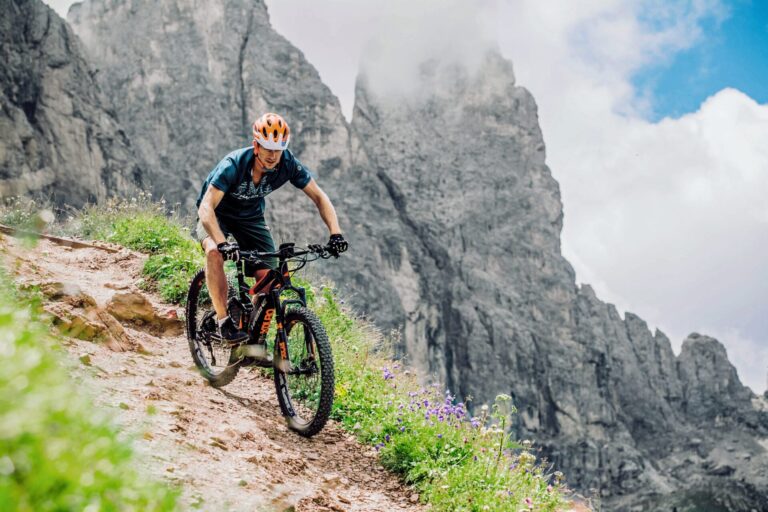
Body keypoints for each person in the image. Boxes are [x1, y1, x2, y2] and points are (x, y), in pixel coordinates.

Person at [195, 112, 347, 342]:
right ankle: (223, 320)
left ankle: (250, 334)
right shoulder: (233, 165)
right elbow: (206, 208)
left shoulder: (287, 164)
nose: (273, 154)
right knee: (214, 252)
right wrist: (223, 243)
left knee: (271, 279)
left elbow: (319, 196)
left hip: (251, 219)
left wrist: (336, 234)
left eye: (278, 148)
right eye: (267, 147)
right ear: (256, 145)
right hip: (217, 216)